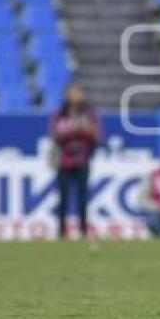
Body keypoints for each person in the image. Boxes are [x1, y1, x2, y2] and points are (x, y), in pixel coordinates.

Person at [49, 82, 101, 239]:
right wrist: (72, 130)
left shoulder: (89, 114)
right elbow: (55, 134)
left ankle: (84, 230)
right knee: (63, 196)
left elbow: (97, 135)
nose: (74, 96)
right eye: (71, 93)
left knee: (82, 197)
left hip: (82, 159)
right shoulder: (60, 114)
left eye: (77, 92)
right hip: (64, 160)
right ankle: (61, 231)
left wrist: (84, 131)